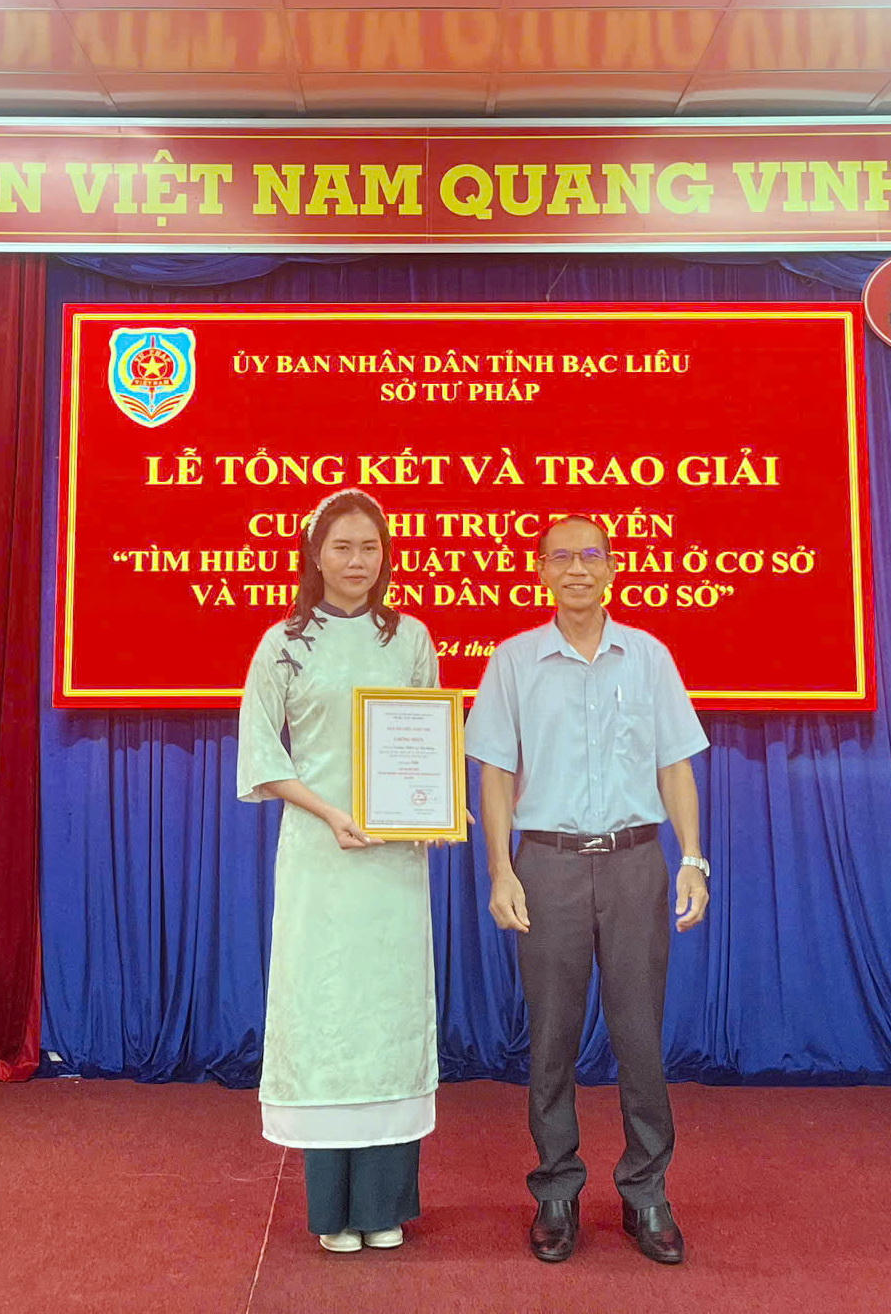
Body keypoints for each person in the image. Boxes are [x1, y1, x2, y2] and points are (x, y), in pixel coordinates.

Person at [466, 514, 710, 1267]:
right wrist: (502, 870)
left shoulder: (649, 657)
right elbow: (495, 774)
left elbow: (674, 765)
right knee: (551, 1038)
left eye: (591, 555)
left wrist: (693, 858)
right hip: (547, 865)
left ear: (611, 568)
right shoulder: (513, 662)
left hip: (636, 863)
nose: (577, 568)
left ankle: (646, 1192)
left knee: (639, 1035)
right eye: (561, 557)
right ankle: (556, 1190)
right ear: (541, 571)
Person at [236, 488, 440, 1254]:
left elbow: (427, 739)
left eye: (370, 547)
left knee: (387, 1013)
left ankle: (385, 1205)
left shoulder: (410, 638)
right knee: (327, 1012)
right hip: (320, 858)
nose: (359, 561)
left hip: (392, 861)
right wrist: (328, 813)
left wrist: (428, 812)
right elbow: (262, 754)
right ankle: (331, 1211)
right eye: (343, 546)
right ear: (315, 555)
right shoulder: (283, 643)